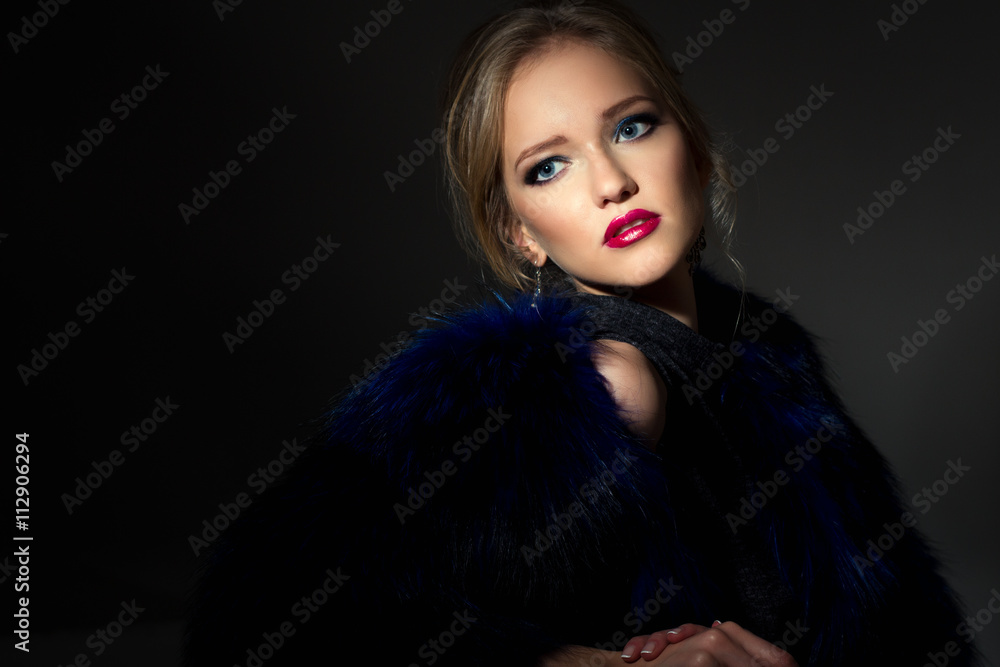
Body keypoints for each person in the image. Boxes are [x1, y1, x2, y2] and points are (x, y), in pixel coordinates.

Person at [185, 1, 978, 665]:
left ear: (695, 147)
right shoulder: (603, 382)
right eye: (547, 167)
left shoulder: (765, 350)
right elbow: (266, 613)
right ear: (521, 233)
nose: (611, 182)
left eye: (632, 127)